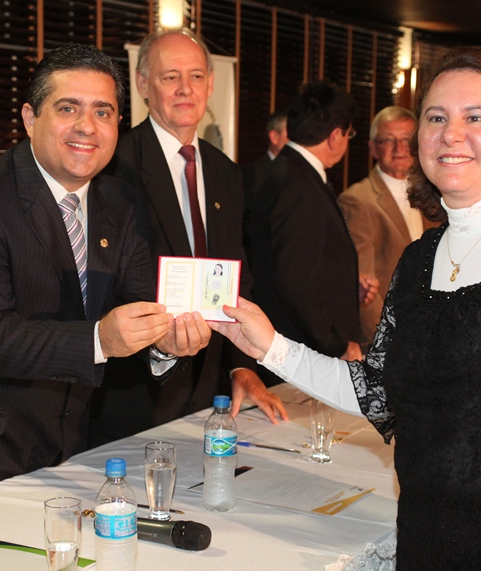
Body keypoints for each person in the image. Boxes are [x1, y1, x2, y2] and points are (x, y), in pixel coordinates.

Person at [212, 46, 481, 571]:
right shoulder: (419, 258)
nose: (451, 134)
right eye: (436, 117)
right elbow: (379, 389)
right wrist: (270, 346)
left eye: (476, 117)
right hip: (433, 543)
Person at [0, 44, 211, 512]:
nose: (87, 126)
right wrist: (100, 339)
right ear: (30, 118)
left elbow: (139, 302)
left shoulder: (121, 203)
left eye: (103, 112)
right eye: (68, 108)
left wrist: (166, 343)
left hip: (65, 452)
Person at [90, 28, 286, 446]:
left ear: (210, 84)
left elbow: (236, 275)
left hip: (208, 390)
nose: (185, 89)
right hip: (131, 395)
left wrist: (241, 366)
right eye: (170, 77)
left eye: (196, 76)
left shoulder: (225, 172)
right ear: (143, 84)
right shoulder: (112, 166)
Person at [250, 80, 374, 385]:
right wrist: (336, 344)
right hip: (301, 352)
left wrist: (346, 283)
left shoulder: (284, 171)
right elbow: (295, 279)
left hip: (290, 343)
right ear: (335, 136)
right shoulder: (298, 185)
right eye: (349, 134)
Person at [338, 106, 440, 349]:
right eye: (388, 140)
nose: (399, 148)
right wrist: (386, 342)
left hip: (430, 332)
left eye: (406, 140)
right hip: (390, 339)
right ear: (373, 148)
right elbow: (364, 289)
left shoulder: (434, 194)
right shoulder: (358, 200)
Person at [241, 109, 288, 258]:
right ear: (274, 136)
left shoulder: (300, 174)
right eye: (290, 135)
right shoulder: (251, 174)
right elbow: (244, 222)